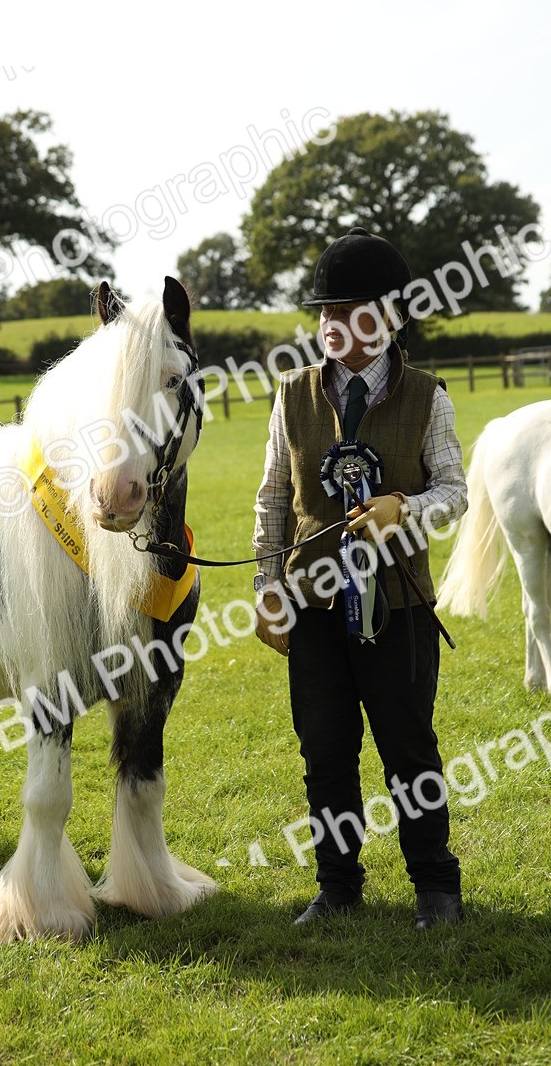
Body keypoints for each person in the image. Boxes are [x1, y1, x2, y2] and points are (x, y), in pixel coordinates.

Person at [253, 226, 467, 930]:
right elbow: (273, 500)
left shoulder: (429, 398)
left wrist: (404, 508)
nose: (333, 327)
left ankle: (435, 887)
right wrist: (267, 591)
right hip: (314, 607)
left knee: (409, 747)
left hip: (398, 607)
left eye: (350, 313)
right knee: (324, 751)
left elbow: (454, 494)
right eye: (325, 314)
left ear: (390, 316)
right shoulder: (292, 396)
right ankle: (338, 885)